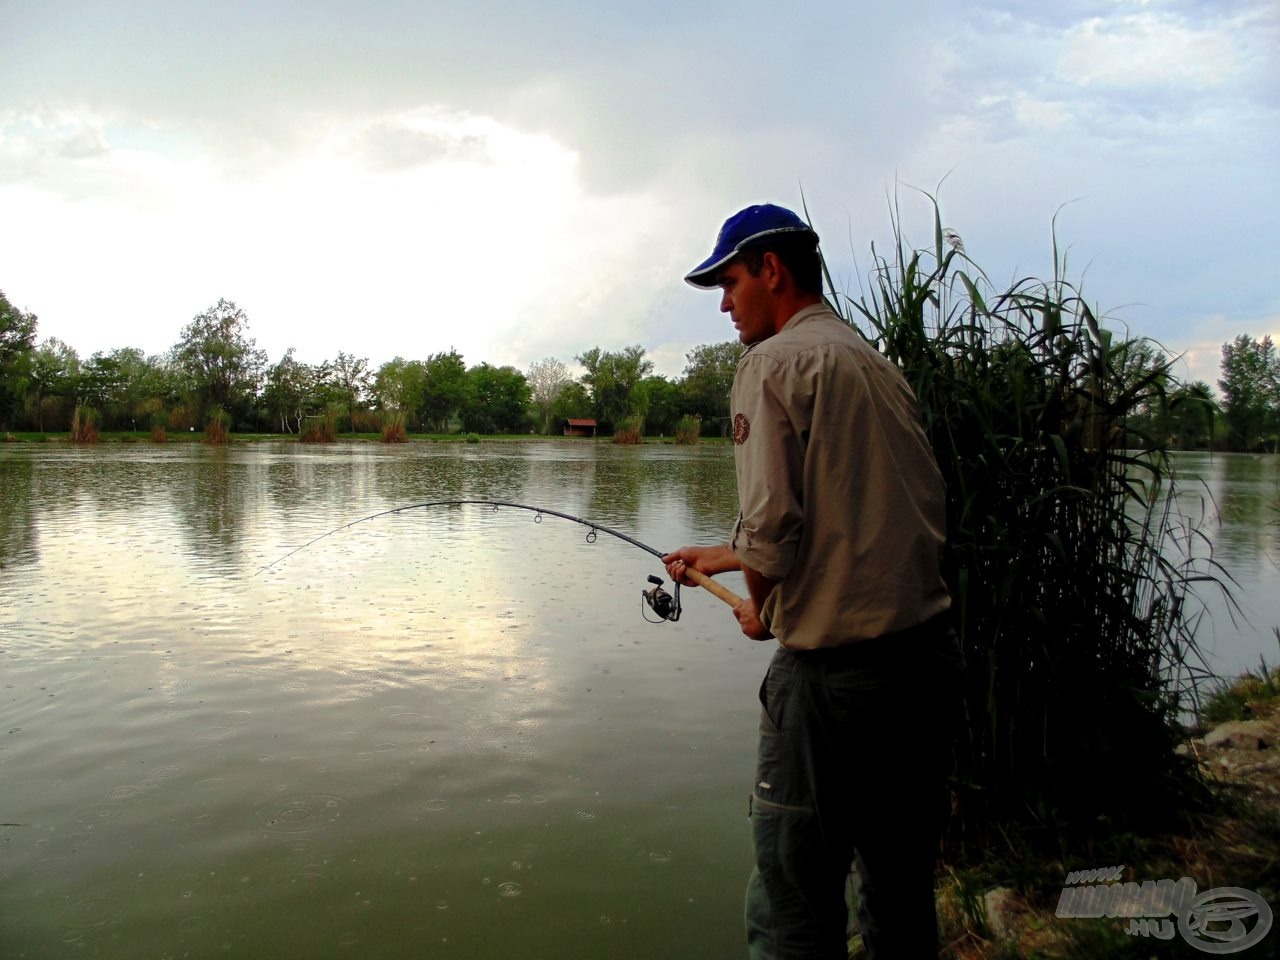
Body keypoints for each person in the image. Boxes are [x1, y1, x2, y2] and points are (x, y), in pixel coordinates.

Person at [663, 203, 964, 959]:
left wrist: (760, 609)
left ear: (772, 269)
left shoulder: (770, 365)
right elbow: (853, 517)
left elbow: (774, 530)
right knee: (897, 891)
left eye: (729, 283)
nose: (725, 304)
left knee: (792, 904)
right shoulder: (873, 363)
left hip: (832, 685)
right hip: (921, 667)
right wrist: (723, 556)